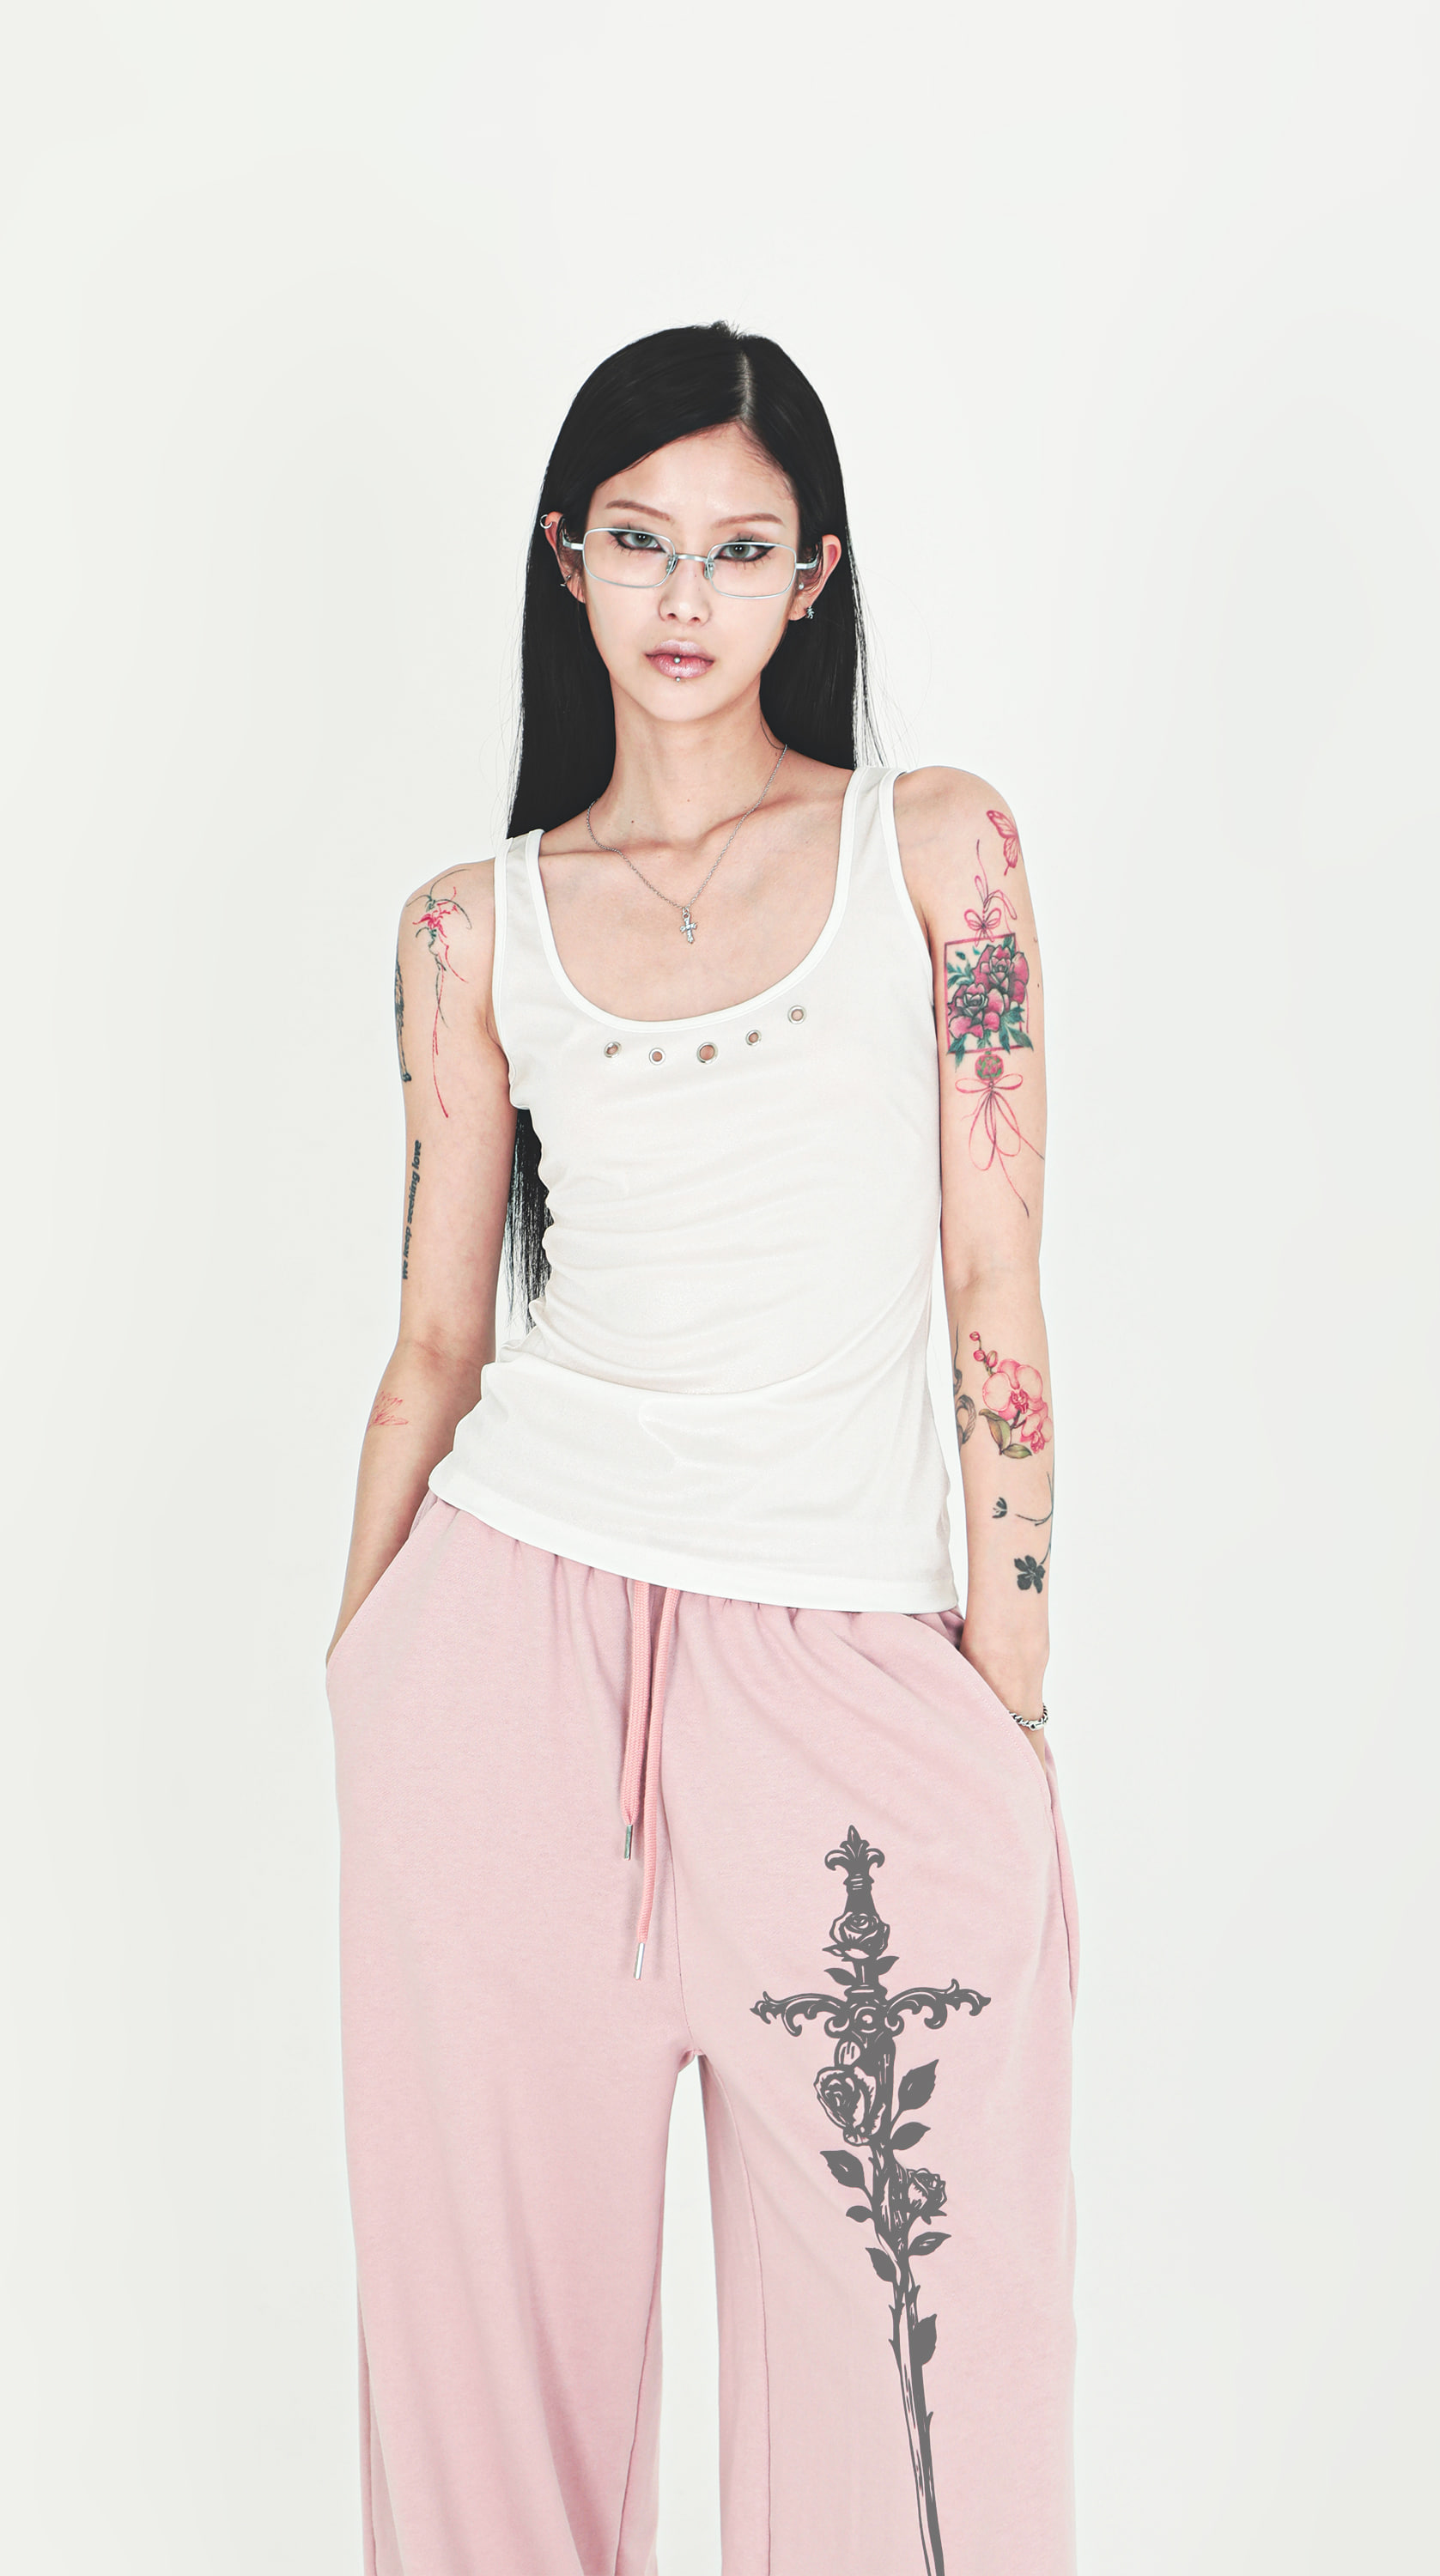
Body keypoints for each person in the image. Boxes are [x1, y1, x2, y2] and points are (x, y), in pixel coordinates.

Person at [325, 321, 1078, 2576]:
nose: (685, 594)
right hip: (502, 1666)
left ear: (812, 576)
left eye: (741, 549)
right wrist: (361, 1680)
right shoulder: (467, 928)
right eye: (641, 541)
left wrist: (1010, 1708)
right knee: (485, 2390)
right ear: (568, 560)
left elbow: (996, 1292)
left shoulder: (935, 855)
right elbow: (436, 1339)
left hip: (850, 1673)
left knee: (920, 2403)